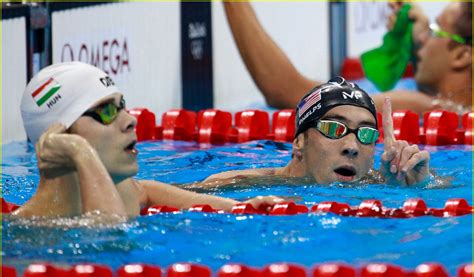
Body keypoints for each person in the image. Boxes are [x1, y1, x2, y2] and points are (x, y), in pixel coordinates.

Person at [14, 62, 282, 220]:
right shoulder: (30, 229)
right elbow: (105, 241)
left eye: (123, 106)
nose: (129, 119)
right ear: (59, 137)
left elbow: (147, 190)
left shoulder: (126, 192)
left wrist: (241, 208)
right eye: (107, 111)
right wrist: (81, 153)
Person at [223, 2, 472, 114]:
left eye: (434, 30)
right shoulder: (457, 112)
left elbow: (289, 94)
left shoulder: (424, 107)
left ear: (462, 55)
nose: (422, 40)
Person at [203, 77, 430, 186]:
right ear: (299, 141)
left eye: (366, 134)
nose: (352, 147)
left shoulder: (380, 182)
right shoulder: (240, 185)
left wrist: (416, 185)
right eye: (333, 128)